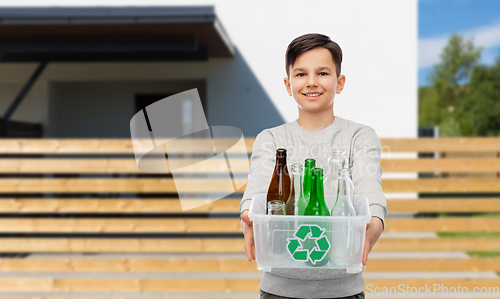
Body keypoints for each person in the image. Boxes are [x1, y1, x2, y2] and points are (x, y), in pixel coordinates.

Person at [239, 33, 386, 299]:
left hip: (343, 291)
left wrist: (374, 220)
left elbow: (368, 186)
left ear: (339, 82)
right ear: (288, 84)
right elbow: (259, 187)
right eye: (300, 74)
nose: (311, 82)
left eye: (322, 73)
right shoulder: (271, 139)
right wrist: (249, 213)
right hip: (278, 290)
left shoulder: (359, 136)